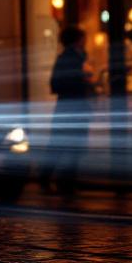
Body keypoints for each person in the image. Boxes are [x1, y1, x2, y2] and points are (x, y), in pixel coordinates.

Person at [48, 26, 95, 194]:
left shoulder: (71, 57)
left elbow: (54, 83)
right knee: (71, 145)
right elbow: (57, 83)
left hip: (68, 106)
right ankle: (63, 181)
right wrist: (85, 81)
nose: (85, 41)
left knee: (63, 144)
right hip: (74, 106)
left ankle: (58, 179)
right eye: (83, 38)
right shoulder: (73, 58)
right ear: (77, 40)